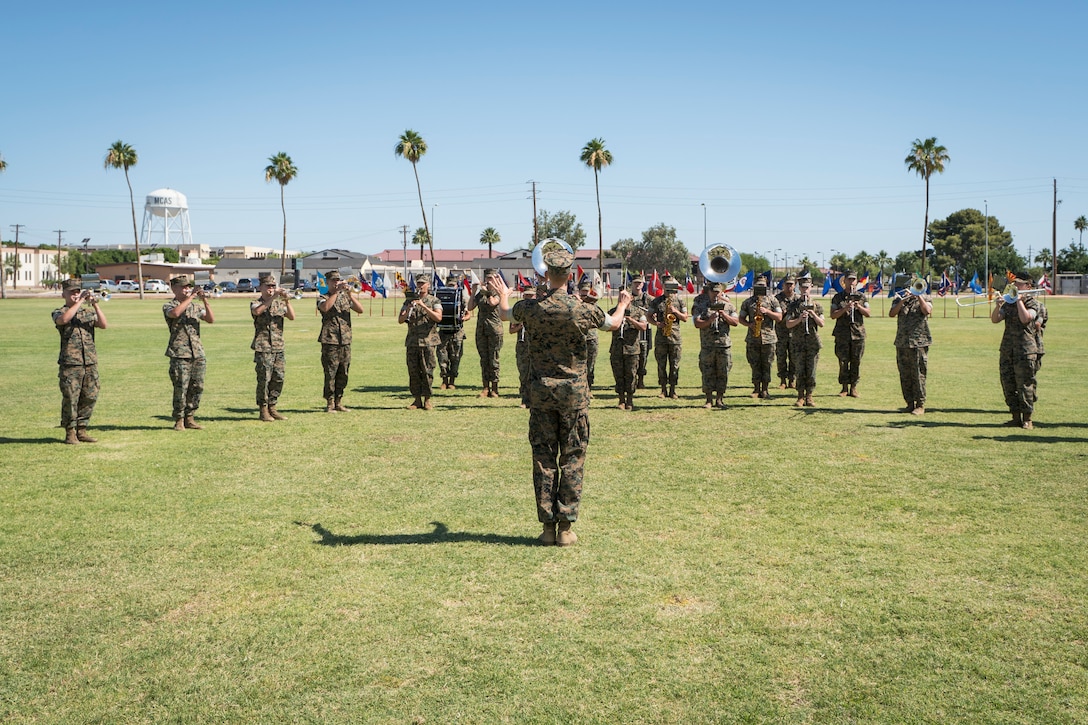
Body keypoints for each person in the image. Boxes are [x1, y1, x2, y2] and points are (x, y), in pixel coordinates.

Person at [492, 242, 632, 546]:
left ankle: (546, 529)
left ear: (545, 273)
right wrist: (622, 303)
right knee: (573, 459)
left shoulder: (530, 308)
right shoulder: (583, 309)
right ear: (569, 273)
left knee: (543, 459)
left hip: (541, 395)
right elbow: (614, 323)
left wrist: (504, 293)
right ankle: (566, 529)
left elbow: (504, 314)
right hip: (574, 396)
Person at [53, 278, 108, 444]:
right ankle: (70, 432)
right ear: (64, 294)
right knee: (71, 398)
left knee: (90, 396)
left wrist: (95, 305)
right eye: (72, 292)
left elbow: (104, 325)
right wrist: (81, 301)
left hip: (89, 361)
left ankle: (82, 429)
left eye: (78, 292)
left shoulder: (87, 312)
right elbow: (63, 320)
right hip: (71, 363)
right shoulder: (59, 311)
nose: (76, 295)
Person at [991, 271, 1041, 429]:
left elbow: (1026, 319)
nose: (1015, 285)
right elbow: (995, 320)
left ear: (1028, 286)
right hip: (1007, 349)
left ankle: (1027, 418)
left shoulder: (1033, 303)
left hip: (1025, 350)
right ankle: (1015, 416)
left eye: (1019, 283)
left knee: (1025, 384)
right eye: (1015, 283)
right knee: (1008, 383)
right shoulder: (1009, 302)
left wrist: (1019, 301)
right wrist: (998, 306)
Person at [164, 274, 215, 430]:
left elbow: (211, 319)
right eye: (184, 287)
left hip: (197, 352)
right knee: (181, 387)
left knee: (197, 386)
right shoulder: (169, 305)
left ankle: (190, 417)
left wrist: (205, 301)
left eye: (188, 287)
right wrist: (192, 296)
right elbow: (175, 314)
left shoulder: (195, 307)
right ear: (174, 288)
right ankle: (179, 419)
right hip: (180, 353)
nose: (187, 289)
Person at [251, 273, 296, 421]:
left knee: (278, 378)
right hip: (263, 346)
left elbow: (291, 316)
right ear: (261, 287)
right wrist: (273, 297)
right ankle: (263, 409)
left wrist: (286, 300)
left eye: (273, 286)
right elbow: (257, 312)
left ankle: (273, 406)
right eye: (268, 286)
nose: (271, 289)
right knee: (264, 379)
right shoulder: (255, 302)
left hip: (278, 346)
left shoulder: (278, 304)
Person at [317, 270, 364, 412]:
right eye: (333, 280)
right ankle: (330, 402)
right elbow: (325, 308)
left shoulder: (345, 297)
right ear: (328, 282)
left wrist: (349, 294)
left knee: (343, 372)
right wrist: (336, 292)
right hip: (330, 340)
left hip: (345, 340)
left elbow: (360, 309)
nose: (336, 282)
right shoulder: (323, 296)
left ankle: (339, 401)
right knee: (330, 372)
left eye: (338, 280)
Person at [399, 273, 444, 410]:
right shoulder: (409, 301)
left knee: (427, 371)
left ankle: (427, 399)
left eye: (423, 283)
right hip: (412, 341)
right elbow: (400, 320)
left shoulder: (434, 300)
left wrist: (423, 306)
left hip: (428, 341)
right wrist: (408, 308)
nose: (420, 286)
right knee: (413, 371)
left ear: (428, 285)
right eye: (418, 283)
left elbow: (438, 317)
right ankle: (416, 399)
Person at [889, 275, 933, 415]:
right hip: (902, 342)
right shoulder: (899, 299)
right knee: (905, 374)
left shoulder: (925, 298)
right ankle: (909, 403)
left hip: (919, 343)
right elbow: (892, 313)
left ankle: (920, 404)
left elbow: (927, 311)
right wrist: (903, 300)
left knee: (918, 374)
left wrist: (918, 296)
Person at [692, 281, 738, 409]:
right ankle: (708, 400)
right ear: (709, 292)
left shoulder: (728, 306)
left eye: (718, 292)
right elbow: (697, 323)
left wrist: (724, 315)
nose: (715, 294)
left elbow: (735, 322)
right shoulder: (701, 306)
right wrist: (710, 320)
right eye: (713, 292)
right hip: (708, 345)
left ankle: (719, 399)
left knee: (723, 372)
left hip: (724, 346)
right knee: (707, 372)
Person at [737, 280, 783, 399]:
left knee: (767, 364)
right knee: (754, 364)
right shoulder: (748, 302)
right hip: (753, 338)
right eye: (758, 286)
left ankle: (765, 389)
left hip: (769, 338)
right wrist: (749, 325)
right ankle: (756, 388)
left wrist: (767, 311)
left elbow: (779, 317)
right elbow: (740, 318)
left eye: (763, 286)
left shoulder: (772, 300)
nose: (761, 288)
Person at [785, 272, 824, 407]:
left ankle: (809, 396)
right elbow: (788, 324)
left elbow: (822, 323)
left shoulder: (817, 305)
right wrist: (799, 319)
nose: (805, 290)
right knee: (800, 371)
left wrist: (813, 314)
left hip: (812, 343)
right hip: (798, 343)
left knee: (811, 371)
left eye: (807, 287)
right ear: (799, 288)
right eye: (802, 287)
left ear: (811, 287)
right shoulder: (793, 305)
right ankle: (800, 396)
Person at [830, 270, 871, 397]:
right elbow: (833, 315)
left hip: (857, 334)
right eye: (849, 279)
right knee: (843, 361)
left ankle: (853, 387)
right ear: (845, 281)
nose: (851, 282)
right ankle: (844, 387)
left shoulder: (862, 297)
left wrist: (858, 306)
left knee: (856, 361)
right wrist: (845, 308)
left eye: (854, 279)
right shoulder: (838, 297)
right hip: (842, 334)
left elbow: (868, 313)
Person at [648, 275, 688, 399]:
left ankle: (673, 390)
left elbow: (685, 317)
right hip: (661, 338)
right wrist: (656, 323)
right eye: (667, 286)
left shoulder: (680, 300)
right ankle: (663, 389)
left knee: (674, 364)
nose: (669, 289)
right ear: (663, 286)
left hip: (675, 338)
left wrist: (675, 311)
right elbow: (649, 316)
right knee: (661, 364)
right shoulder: (656, 301)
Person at [609, 287, 648, 410]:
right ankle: (621, 399)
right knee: (618, 374)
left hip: (632, 350)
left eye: (625, 296)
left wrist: (631, 320)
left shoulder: (638, 312)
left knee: (631, 375)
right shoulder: (613, 311)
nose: (622, 299)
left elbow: (644, 326)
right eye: (620, 296)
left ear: (631, 298)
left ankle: (630, 400)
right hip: (617, 349)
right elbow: (607, 325)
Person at [468, 268, 504, 397]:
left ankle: (495, 387)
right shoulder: (480, 294)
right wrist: (473, 292)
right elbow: (470, 307)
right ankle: (485, 387)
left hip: (494, 329)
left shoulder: (498, 293)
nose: (489, 281)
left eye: (491, 279)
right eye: (487, 279)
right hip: (482, 329)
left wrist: (487, 292)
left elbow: (493, 302)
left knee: (493, 358)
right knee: (484, 359)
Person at [437, 273, 471, 390]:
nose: (451, 287)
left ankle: (452, 381)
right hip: (443, 331)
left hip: (457, 331)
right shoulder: (439, 297)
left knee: (455, 357)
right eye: (449, 285)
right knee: (442, 357)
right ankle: (444, 380)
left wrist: (463, 318)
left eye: (453, 285)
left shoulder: (461, 297)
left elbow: (468, 314)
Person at [509, 286, 537, 408]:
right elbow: (511, 330)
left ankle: (535, 399)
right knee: (524, 373)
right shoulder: (518, 310)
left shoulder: (539, 309)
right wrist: (520, 326)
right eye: (526, 295)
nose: (528, 297)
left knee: (536, 373)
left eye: (531, 295)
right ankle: (525, 400)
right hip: (522, 346)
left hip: (536, 346)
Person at [628, 274, 654, 389]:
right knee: (631, 356)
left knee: (643, 355)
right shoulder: (628, 297)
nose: (637, 285)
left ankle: (641, 379)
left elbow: (656, 310)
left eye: (640, 283)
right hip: (631, 331)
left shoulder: (648, 299)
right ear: (632, 284)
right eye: (635, 283)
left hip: (645, 331)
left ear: (643, 284)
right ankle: (631, 379)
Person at [774, 275, 798, 389]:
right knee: (781, 356)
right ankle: (783, 380)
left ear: (794, 285)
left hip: (795, 332)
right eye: (787, 284)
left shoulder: (798, 299)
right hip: (781, 332)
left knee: (794, 357)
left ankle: (792, 380)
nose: (789, 286)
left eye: (791, 284)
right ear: (783, 285)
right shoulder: (777, 298)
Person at [578, 280, 601, 396]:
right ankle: (579, 388)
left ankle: (588, 388)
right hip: (578, 339)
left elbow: (600, 321)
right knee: (577, 365)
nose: (585, 294)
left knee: (590, 365)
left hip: (591, 338)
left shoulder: (594, 306)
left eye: (587, 292)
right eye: (582, 292)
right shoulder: (575, 304)